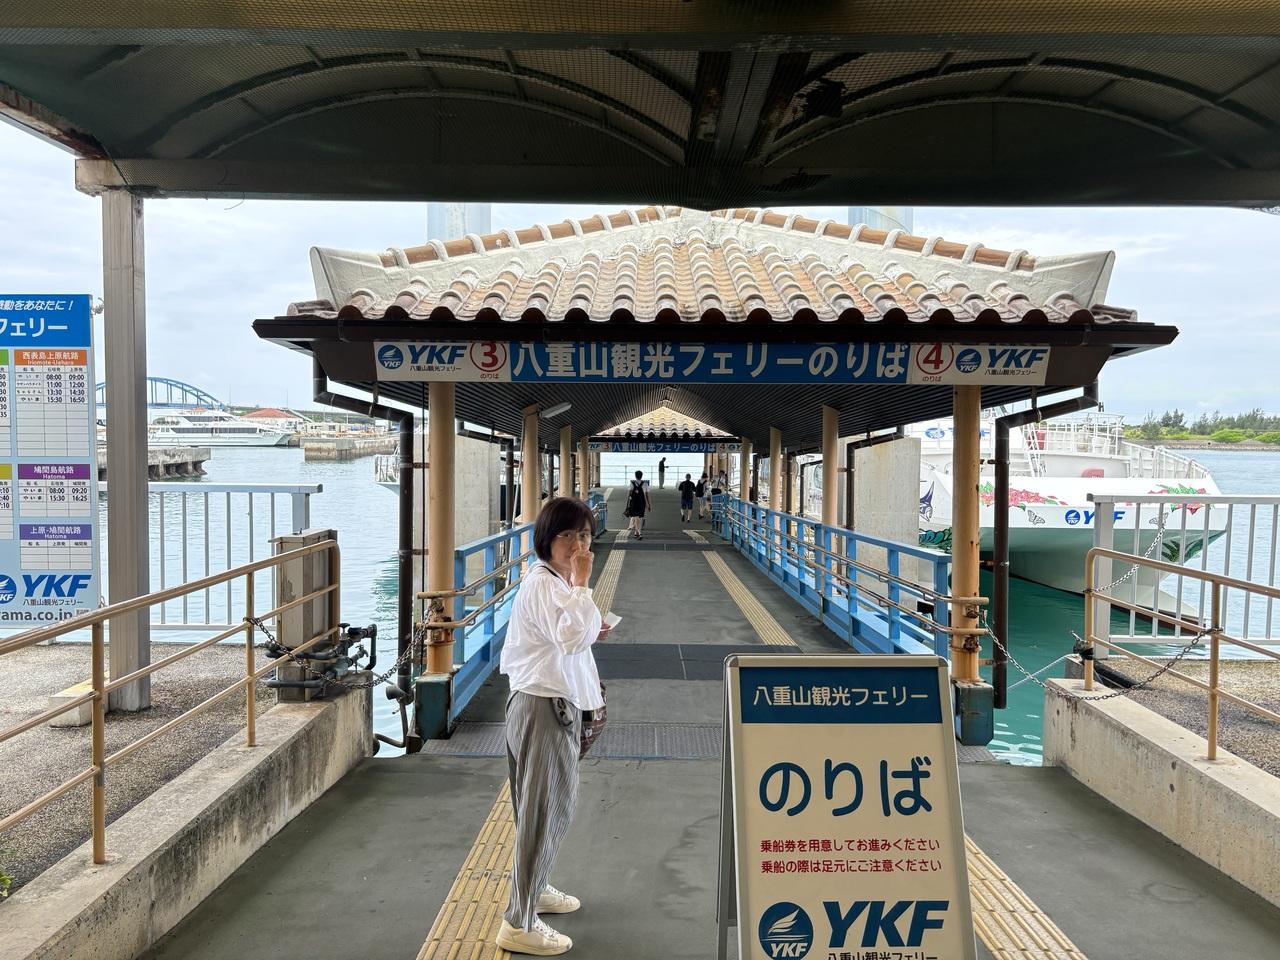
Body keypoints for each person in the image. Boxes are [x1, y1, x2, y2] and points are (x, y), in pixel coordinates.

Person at [496, 497, 611, 956]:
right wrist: (583, 586)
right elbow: (569, 638)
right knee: (544, 815)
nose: (579, 544)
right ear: (547, 538)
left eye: (585, 534)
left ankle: (536, 889)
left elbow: (572, 632)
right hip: (543, 707)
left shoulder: (554, 581)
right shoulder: (548, 584)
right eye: (568, 535)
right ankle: (519, 922)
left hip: (544, 705)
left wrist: (586, 611)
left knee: (541, 811)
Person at [624, 470, 650, 539]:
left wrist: (627, 504)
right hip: (642, 503)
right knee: (639, 518)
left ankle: (639, 533)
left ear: (635, 476)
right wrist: (649, 504)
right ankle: (636, 533)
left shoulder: (632, 484)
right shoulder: (645, 484)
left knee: (636, 518)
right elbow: (647, 496)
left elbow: (629, 495)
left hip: (634, 503)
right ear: (642, 476)